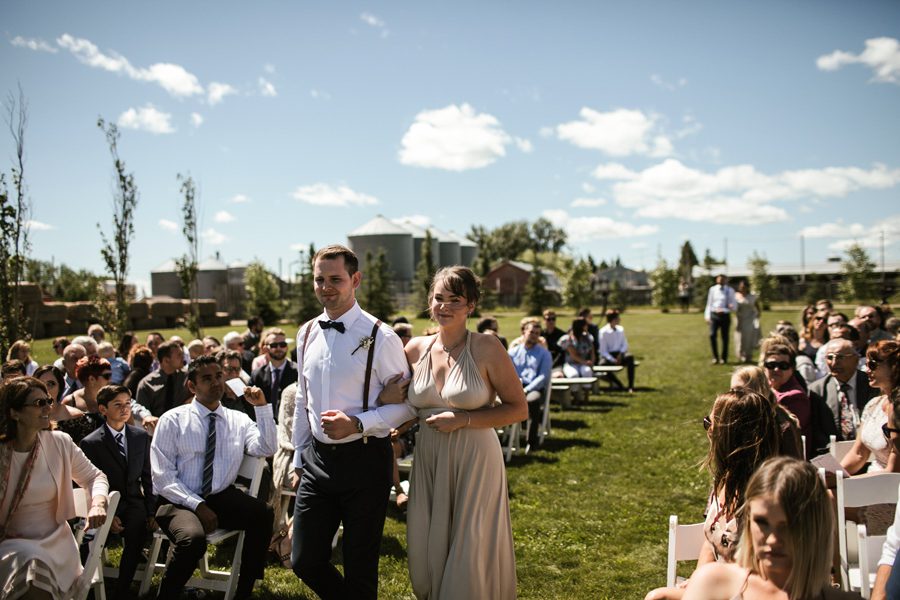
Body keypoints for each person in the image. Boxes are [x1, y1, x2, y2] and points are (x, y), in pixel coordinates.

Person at [290, 244, 416, 599]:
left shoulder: (382, 336)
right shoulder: (306, 333)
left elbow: (407, 408)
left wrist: (358, 423)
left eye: (335, 279)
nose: (326, 287)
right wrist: (300, 455)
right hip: (317, 462)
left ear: (355, 279)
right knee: (304, 560)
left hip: (365, 460)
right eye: (319, 279)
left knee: (360, 565)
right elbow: (303, 397)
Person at [405, 266, 526, 599]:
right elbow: (396, 400)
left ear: (471, 305)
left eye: (454, 300)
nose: (444, 306)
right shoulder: (416, 349)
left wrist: (465, 420)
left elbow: (518, 408)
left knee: (469, 545)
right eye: (438, 298)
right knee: (423, 545)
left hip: (474, 458)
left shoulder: (487, 347)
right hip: (428, 458)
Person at [150, 355, 276, 600]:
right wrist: (197, 505)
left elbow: (267, 448)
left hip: (219, 495)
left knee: (263, 513)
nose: (216, 382)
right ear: (192, 386)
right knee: (193, 539)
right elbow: (162, 478)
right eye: (207, 379)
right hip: (176, 500)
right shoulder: (173, 420)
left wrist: (261, 407)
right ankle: (168, 594)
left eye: (219, 376)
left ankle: (244, 591)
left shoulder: (238, 419)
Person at [645, 388, 781, 600]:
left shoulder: (768, 495)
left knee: (657, 596)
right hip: (718, 587)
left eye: (710, 424)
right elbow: (710, 543)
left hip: (749, 591)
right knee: (657, 597)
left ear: (732, 435)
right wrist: (698, 582)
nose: (708, 432)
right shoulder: (725, 480)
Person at [681, 456, 861, 600]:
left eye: (788, 526)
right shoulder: (713, 584)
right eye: (762, 522)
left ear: (813, 528)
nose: (773, 539)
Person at [0, 376, 109, 600]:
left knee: (32, 565)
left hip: (55, 543)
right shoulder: (2, 453)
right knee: (29, 563)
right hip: (8, 543)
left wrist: (98, 503)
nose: (48, 407)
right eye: (39, 403)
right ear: (15, 413)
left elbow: (95, 477)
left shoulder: (59, 442)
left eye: (48, 401)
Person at [79, 385, 154, 600]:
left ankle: (123, 589)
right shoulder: (91, 443)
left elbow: (147, 477)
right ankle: (85, 586)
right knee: (90, 540)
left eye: (128, 404)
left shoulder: (140, 436)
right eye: (118, 405)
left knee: (137, 530)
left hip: (133, 502)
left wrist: (151, 511)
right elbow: (87, 484)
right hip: (105, 503)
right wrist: (108, 514)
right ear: (103, 409)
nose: (124, 409)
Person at [807, 338, 879, 456]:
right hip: (835, 455)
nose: (834, 363)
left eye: (840, 357)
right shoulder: (817, 390)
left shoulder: (872, 385)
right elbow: (817, 432)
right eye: (829, 358)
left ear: (856, 359)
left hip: (870, 452)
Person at [840, 340, 900, 475]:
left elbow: (894, 472)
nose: (866, 370)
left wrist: (848, 483)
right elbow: (859, 453)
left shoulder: (897, 410)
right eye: (866, 364)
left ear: (895, 367)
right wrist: (835, 475)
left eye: (872, 365)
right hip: (874, 478)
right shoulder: (874, 404)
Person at [731, 366, 803, 459]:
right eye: (732, 391)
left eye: (739, 391)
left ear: (757, 390)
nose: (732, 396)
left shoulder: (779, 424)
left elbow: (792, 466)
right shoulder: (740, 417)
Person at [509, 318, 553, 450]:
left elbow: (543, 377)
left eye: (537, 333)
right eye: (532, 332)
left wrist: (527, 389)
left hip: (533, 388)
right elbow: (507, 373)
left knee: (532, 401)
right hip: (515, 386)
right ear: (524, 332)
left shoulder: (544, 354)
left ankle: (531, 441)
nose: (534, 336)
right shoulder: (512, 352)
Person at [761, 341, 811, 452]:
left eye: (783, 366)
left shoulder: (796, 397)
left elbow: (783, 433)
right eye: (771, 365)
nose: (776, 370)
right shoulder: (767, 387)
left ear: (792, 369)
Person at [250, 329, 298, 419]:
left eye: (283, 345)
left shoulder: (298, 372)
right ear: (265, 349)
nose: (279, 348)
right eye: (274, 345)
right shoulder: (257, 375)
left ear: (287, 347)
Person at [136, 341, 188, 417]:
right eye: (179, 355)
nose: (183, 357)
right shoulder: (146, 384)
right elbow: (142, 411)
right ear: (166, 360)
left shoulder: (186, 377)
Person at [598, 309, 637, 392]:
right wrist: (613, 359)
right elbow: (603, 350)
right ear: (613, 320)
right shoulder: (603, 332)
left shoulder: (621, 329)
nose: (619, 320)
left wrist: (621, 354)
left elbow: (625, 344)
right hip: (609, 355)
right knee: (602, 364)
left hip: (620, 353)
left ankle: (631, 386)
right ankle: (618, 384)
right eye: (618, 318)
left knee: (630, 358)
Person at [704, 274, 737, 365]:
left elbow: (734, 306)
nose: (721, 280)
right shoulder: (713, 289)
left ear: (726, 280)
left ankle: (724, 358)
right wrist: (707, 316)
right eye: (719, 279)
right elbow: (709, 304)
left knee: (725, 337)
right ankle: (715, 357)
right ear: (717, 280)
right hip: (714, 315)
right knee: (712, 335)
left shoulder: (730, 290)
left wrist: (727, 309)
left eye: (723, 279)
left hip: (725, 316)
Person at [733, 280, 761, 364]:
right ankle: (741, 354)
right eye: (741, 287)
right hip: (739, 318)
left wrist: (758, 315)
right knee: (740, 337)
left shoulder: (752, 296)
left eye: (744, 287)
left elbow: (757, 306)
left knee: (749, 337)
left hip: (750, 319)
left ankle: (748, 355)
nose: (742, 289)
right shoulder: (736, 296)